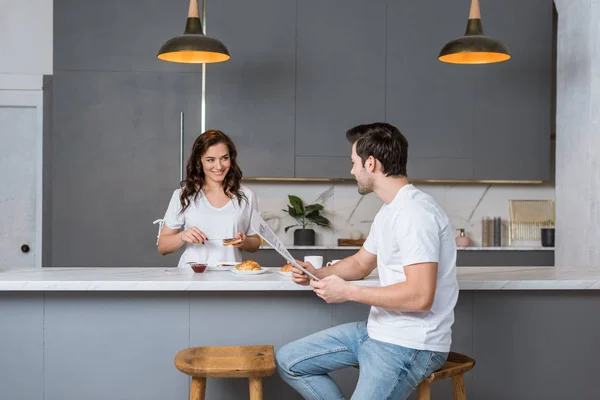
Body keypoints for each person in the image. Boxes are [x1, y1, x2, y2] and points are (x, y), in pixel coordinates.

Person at [276, 122, 459, 400]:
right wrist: (318, 273)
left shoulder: (415, 214)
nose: (352, 171)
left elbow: (421, 296)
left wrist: (348, 292)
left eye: (354, 163)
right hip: (377, 331)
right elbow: (362, 263)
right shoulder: (390, 211)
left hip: (410, 343)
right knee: (290, 360)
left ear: (370, 163)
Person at [154, 130, 261, 267]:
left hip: (232, 278)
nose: (219, 166)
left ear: (231, 158)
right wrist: (182, 236)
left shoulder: (247, 196)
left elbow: (255, 243)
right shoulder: (184, 195)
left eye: (224, 158)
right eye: (210, 160)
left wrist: (244, 242)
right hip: (192, 277)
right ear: (200, 161)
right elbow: (163, 247)